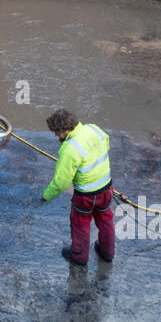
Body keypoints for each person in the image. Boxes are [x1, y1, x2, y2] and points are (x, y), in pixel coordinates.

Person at [40, 108, 113, 266]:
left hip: (86, 195)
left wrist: (46, 196)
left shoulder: (69, 148)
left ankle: (79, 257)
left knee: (80, 224)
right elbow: (106, 143)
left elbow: (61, 182)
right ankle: (107, 253)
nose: (56, 136)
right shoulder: (94, 129)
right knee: (105, 220)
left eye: (57, 132)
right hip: (106, 188)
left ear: (65, 130)